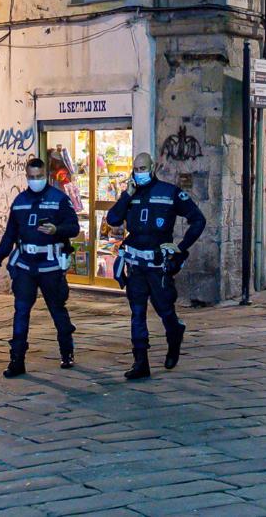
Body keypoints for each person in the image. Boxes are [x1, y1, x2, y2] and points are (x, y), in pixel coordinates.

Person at [105, 152, 206, 380]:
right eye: (136, 169)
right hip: (136, 265)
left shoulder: (169, 193)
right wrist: (126, 195)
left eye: (143, 168)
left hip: (158, 265)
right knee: (137, 312)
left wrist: (181, 248)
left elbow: (198, 220)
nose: (139, 173)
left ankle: (174, 335)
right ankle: (140, 362)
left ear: (152, 168)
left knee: (164, 309)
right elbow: (112, 220)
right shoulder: (130, 195)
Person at [0, 158, 80, 377]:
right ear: (26, 176)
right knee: (21, 311)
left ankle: (66, 352)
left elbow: (74, 227)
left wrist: (57, 229)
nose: (35, 181)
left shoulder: (59, 199)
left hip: (50, 265)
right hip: (25, 266)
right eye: (31, 177)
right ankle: (17, 360)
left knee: (57, 309)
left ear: (46, 176)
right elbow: (10, 233)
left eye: (39, 177)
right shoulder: (20, 201)